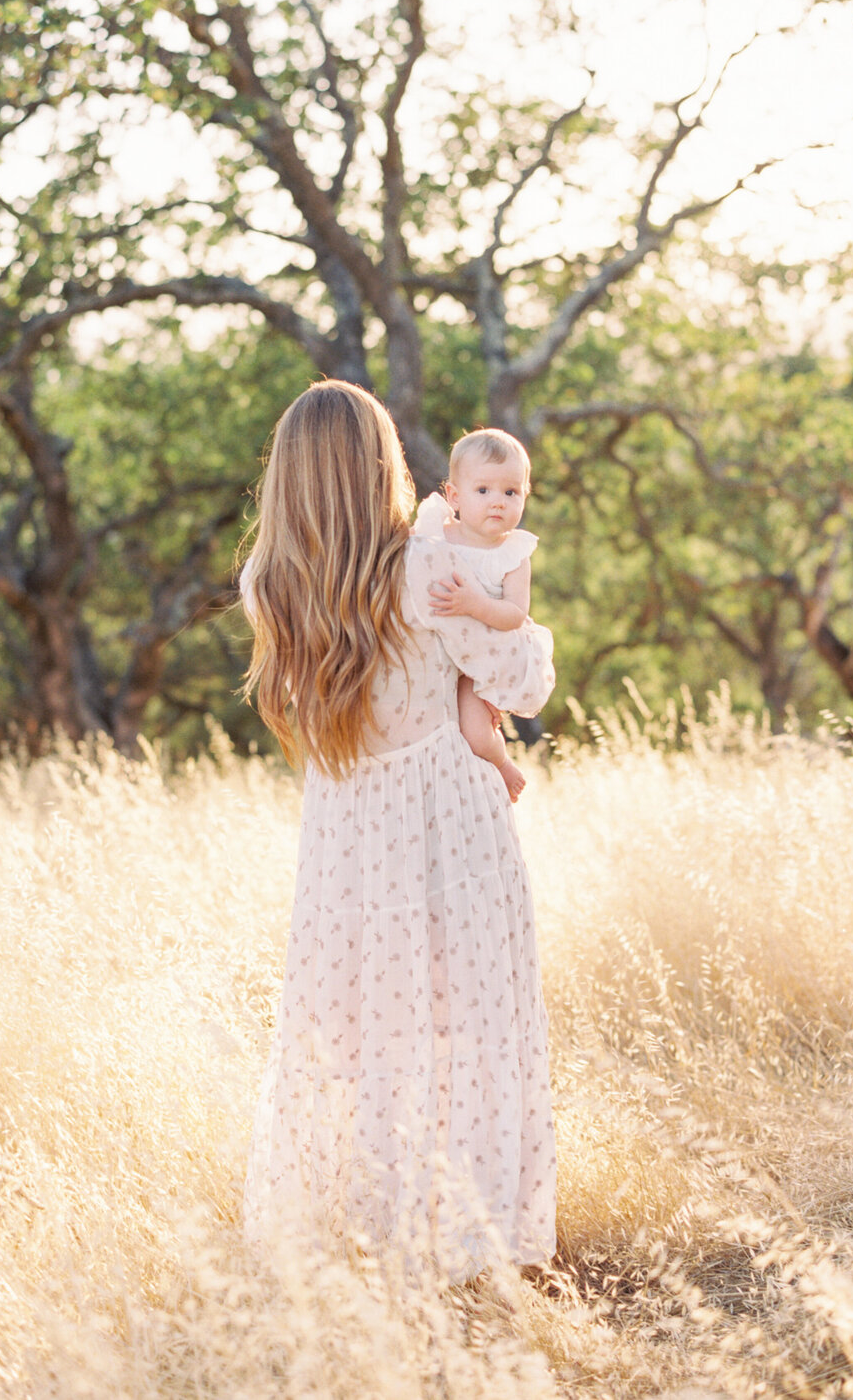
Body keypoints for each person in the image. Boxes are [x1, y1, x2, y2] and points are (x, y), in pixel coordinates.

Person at [238, 380, 557, 1282]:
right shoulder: (425, 567)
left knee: (358, 1031)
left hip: (346, 835)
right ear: (383, 464)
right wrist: (516, 617)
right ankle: (470, 1242)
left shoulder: (269, 582)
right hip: (446, 821)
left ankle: (356, 1236)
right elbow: (525, 685)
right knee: (474, 1028)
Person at [414, 428, 537, 803]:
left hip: (482, 658)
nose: (497, 502)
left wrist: (475, 604)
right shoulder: (438, 533)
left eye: (510, 492)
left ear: (524, 497)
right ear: (454, 496)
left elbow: (515, 615)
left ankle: (502, 763)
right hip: (435, 651)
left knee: (475, 730)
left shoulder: (513, 554)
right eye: (483, 491)